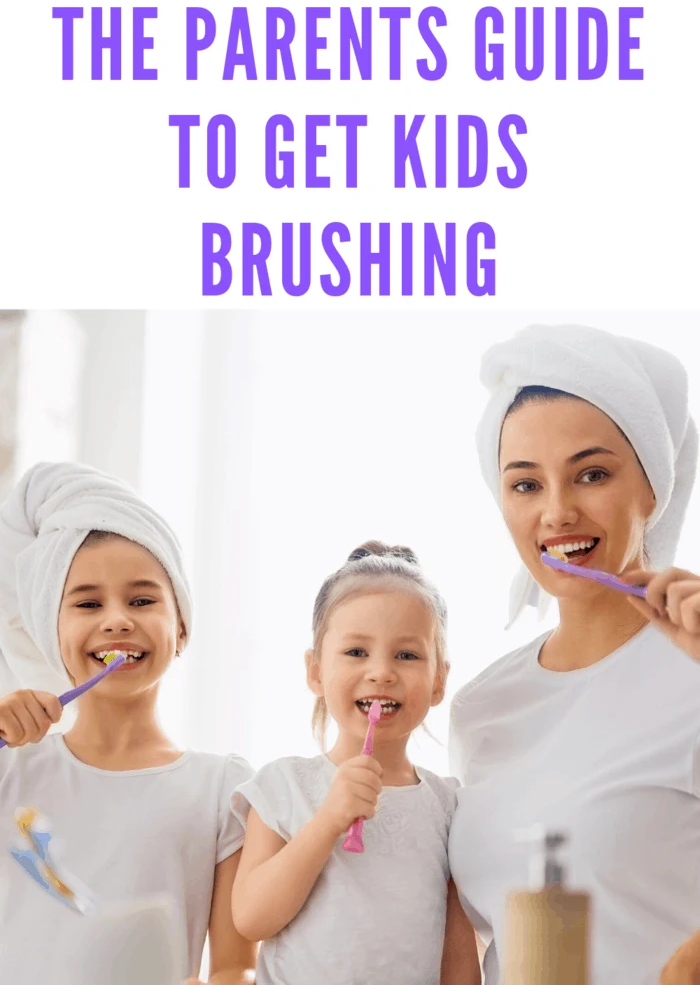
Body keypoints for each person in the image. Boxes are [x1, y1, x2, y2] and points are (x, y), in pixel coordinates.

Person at [448, 323, 700, 985]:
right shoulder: (482, 706)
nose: (557, 513)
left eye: (591, 474)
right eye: (526, 485)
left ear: (654, 485)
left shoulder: (694, 670)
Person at [0, 462, 256, 985]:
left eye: (142, 600)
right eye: (88, 603)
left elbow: (235, 968)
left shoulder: (222, 789)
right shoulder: (11, 767)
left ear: (181, 629)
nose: (116, 619)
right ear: (53, 634)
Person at [231, 541, 480, 985]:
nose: (381, 672)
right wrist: (328, 821)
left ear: (439, 679)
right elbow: (252, 918)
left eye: (407, 655)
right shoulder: (282, 785)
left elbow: (457, 951)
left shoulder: (447, 805)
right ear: (315, 671)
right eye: (356, 652)